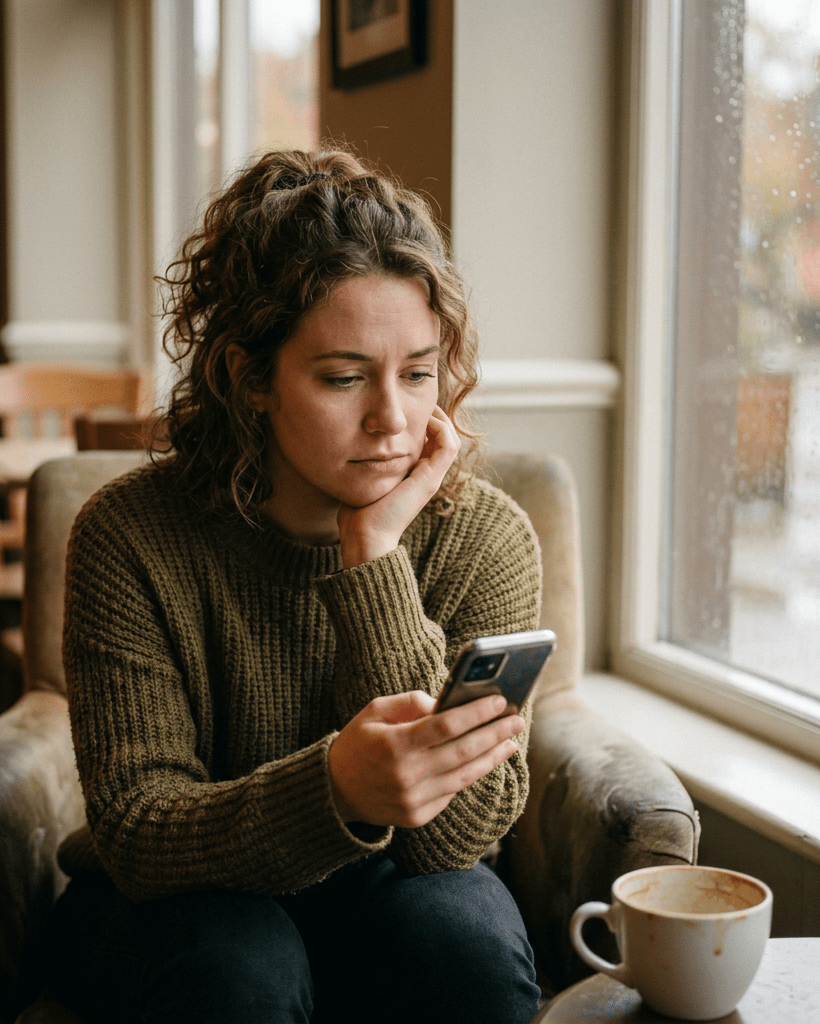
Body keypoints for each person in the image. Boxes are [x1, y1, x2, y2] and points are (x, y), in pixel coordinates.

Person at [46, 148, 543, 1023]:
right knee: (241, 965)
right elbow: (135, 829)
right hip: (181, 909)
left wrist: (376, 557)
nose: (393, 419)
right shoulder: (131, 536)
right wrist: (336, 792)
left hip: (390, 892)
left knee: (461, 937)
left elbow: (461, 838)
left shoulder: (484, 536)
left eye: (419, 373)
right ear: (250, 379)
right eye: (344, 377)